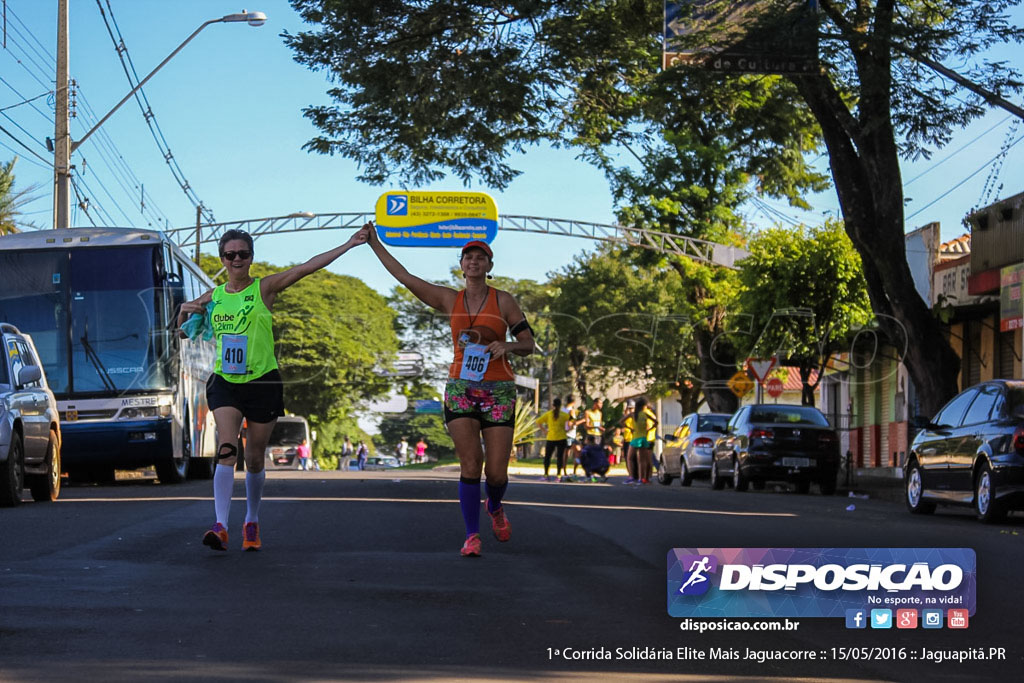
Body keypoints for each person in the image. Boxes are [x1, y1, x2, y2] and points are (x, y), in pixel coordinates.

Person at [178, 227, 367, 552]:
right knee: (227, 448)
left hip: (263, 381)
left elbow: (306, 267)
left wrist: (349, 244)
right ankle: (221, 525)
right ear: (223, 259)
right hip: (225, 380)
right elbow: (183, 331)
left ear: (251, 257)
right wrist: (183, 311)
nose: (237, 260)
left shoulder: (264, 288)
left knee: (253, 457)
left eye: (243, 254)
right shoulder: (214, 295)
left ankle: (251, 520)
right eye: (230, 255)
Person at [365, 223, 535, 557]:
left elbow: (529, 344)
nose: (474, 262)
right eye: (468, 257)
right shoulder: (448, 299)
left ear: (489, 265)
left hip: (499, 389)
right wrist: (375, 244)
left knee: (497, 472)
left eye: (480, 257)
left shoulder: (504, 301)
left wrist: (507, 346)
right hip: (461, 387)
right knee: (470, 465)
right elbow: (405, 277)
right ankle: (472, 535)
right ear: (461, 265)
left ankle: (495, 506)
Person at [536, 397, 571, 481]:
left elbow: (538, 421)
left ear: (553, 405)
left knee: (547, 457)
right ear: (560, 405)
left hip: (551, 438)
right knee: (559, 457)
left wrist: (544, 431)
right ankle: (558, 476)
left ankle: (546, 475)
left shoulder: (549, 414)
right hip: (562, 437)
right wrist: (568, 429)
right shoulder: (564, 414)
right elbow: (572, 421)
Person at [631, 397, 659, 484]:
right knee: (648, 459)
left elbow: (646, 425)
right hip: (650, 437)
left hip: (644, 437)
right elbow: (654, 423)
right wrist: (650, 429)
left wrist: (647, 430)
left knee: (641, 459)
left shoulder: (642, 413)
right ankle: (647, 477)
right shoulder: (650, 413)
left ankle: (641, 477)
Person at [618, 399, 637, 484]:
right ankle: (631, 475)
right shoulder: (627, 415)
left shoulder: (635, 415)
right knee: (627, 458)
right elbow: (621, 422)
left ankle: (633, 475)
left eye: (632, 408)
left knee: (632, 458)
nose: (630, 410)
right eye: (629, 408)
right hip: (627, 438)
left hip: (633, 438)